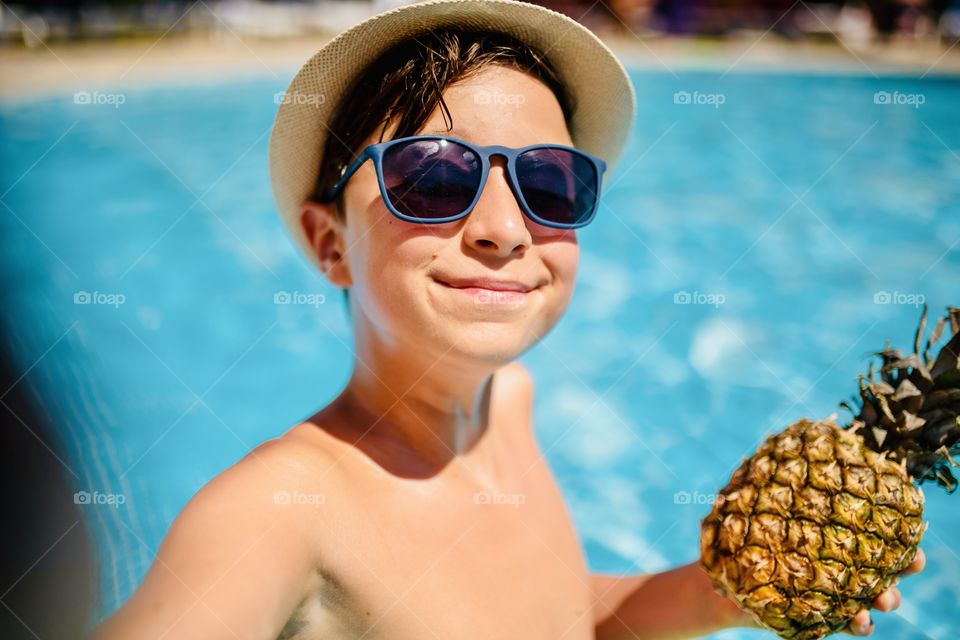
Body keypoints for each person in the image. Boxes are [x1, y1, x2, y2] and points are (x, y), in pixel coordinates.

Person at [91, 1, 923, 638]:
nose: (504, 226)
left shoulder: (508, 404)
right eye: (431, 177)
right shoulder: (278, 511)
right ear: (329, 242)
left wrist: (719, 591)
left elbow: (553, 617)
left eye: (551, 182)